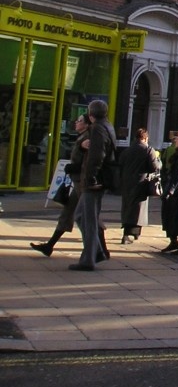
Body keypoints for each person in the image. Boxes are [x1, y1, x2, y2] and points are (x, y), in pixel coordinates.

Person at [31, 114, 95, 257]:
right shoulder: (82, 137)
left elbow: (89, 159)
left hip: (82, 181)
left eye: (79, 121)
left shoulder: (87, 138)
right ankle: (49, 246)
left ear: (86, 124)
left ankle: (97, 249)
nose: (76, 123)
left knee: (88, 215)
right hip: (77, 180)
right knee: (67, 213)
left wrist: (76, 166)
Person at [69, 99, 115, 271]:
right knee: (81, 215)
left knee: (88, 218)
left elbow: (97, 155)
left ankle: (89, 258)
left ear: (90, 114)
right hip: (99, 178)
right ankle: (97, 251)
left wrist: (91, 178)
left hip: (94, 180)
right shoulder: (107, 126)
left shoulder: (97, 128)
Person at [118, 127, 161, 244]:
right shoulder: (148, 150)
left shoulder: (127, 150)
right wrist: (159, 161)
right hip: (142, 183)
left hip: (127, 182)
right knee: (138, 209)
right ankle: (131, 234)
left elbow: (120, 164)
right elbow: (155, 167)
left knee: (127, 206)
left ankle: (129, 232)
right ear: (145, 138)